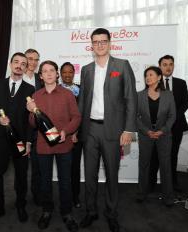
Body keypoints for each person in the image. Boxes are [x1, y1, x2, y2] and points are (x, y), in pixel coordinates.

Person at [78, 28, 137, 232]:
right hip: (90, 128)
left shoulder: (121, 65)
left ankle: (111, 213)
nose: (100, 45)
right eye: (96, 42)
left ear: (110, 43)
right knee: (90, 174)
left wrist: (129, 129)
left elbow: (131, 99)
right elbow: (82, 101)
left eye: (103, 41)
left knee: (112, 174)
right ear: (91, 45)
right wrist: (77, 129)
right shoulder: (86, 69)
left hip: (113, 130)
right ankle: (91, 211)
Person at [27, 60, 81, 232]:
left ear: (57, 74)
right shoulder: (35, 96)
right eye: (45, 71)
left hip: (64, 145)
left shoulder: (67, 94)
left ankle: (67, 213)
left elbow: (76, 117)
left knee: (65, 181)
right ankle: (47, 211)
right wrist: (31, 111)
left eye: (52, 70)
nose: (49, 73)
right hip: (43, 147)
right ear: (40, 76)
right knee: (45, 183)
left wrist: (66, 132)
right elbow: (33, 125)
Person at [0, 52, 35, 224]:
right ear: (10, 64)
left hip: (20, 139)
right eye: (16, 62)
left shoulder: (30, 89)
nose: (19, 65)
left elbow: (30, 120)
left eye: (23, 63)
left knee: (21, 175)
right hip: (0, 139)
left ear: (26, 67)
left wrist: (29, 141)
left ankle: (21, 205)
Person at [149, 55, 188, 192]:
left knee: (172, 155)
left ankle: (172, 183)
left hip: (176, 126)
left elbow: (185, 103)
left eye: (171, 64)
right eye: (165, 64)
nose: (168, 67)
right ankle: (151, 184)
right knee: (154, 155)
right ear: (160, 67)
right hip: (157, 126)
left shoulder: (181, 83)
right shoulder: (153, 83)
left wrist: (172, 118)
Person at [136, 66, 175, 206]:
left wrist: (162, 130)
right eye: (146, 75)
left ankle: (168, 197)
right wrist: (147, 131)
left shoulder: (168, 95)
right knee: (144, 165)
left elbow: (172, 116)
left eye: (151, 75)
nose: (148, 77)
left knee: (166, 166)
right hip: (145, 135)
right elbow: (135, 117)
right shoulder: (139, 95)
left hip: (163, 135)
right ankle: (141, 194)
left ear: (159, 77)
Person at [60, 62, 82, 208]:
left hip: (76, 135)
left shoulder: (80, 90)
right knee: (63, 169)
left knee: (74, 168)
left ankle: (75, 197)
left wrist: (76, 131)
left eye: (70, 72)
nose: (67, 75)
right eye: (64, 72)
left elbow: (82, 113)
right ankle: (63, 197)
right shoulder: (55, 89)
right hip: (60, 134)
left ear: (74, 73)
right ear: (60, 74)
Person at [24, 48, 43, 206]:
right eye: (30, 58)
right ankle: (21, 198)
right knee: (20, 166)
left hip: (37, 128)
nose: (33, 62)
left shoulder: (41, 79)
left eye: (36, 59)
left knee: (37, 165)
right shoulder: (15, 79)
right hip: (20, 128)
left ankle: (37, 194)